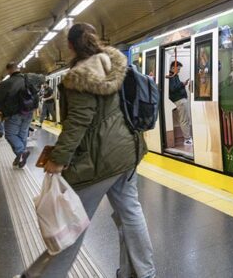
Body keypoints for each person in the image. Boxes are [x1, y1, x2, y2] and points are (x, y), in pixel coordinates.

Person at [20, 23, 155, 278]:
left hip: (99, 160)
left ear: (70, 46)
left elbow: (79, 122)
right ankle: (142, 273)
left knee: (71, 223)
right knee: (130, 212)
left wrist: (58, 159)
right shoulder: (114, 65)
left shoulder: (80, 77)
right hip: (127, 151)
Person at [0, 62, 37, 168]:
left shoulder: (7, 83)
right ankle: (19, 157)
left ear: (8, 71)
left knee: (10, 135)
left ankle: (21, 152)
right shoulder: (28, 79)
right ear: (18, 68)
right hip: (29, 112)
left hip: (14, 114)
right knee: (22, 135)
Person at [167, 60, 192, 145]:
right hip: (179, 100)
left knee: (185, 119)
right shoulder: (171, 76)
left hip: (180, 100)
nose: (179, 71)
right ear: (173, 68)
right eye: (178, 69)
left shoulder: (174, 76)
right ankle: (187, 139)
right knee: (184, 120)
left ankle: (187, 138)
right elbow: (172, 89)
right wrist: (182, 84)